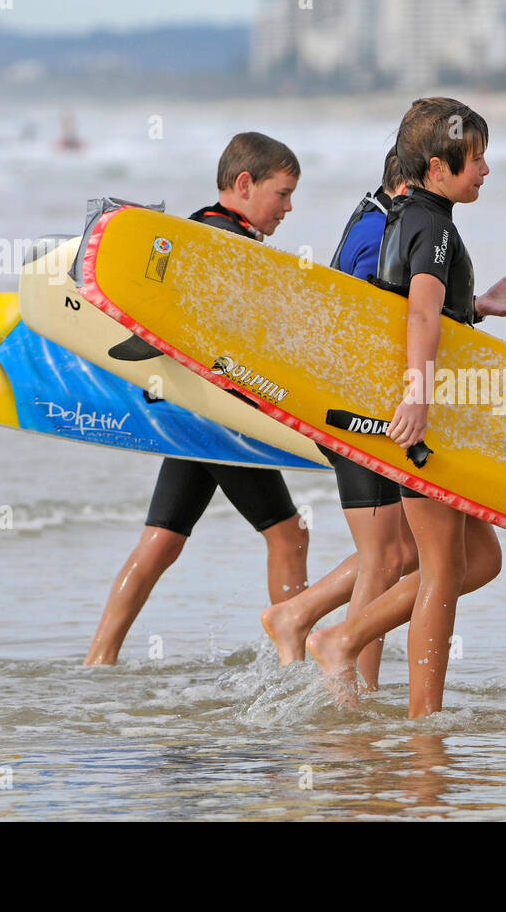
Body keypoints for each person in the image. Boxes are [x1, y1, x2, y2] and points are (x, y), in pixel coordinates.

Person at [307, 97, 506, 717]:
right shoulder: (434, 225)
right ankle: (423, 720)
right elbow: (416, 313)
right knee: (442, 570)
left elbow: (413, 308)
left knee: (480, 559)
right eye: (477, 160)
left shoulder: (409, 216)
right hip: (425, 418)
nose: (487, 170)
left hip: (427, 410)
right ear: (438, 168)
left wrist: (478, 307)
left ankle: (346, 639)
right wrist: (416, 394)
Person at [84, 132, 317, 665]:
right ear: (244, 183)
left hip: (187, 409)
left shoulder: (200, 229)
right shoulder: (222, 242)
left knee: (163, 541)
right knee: (289, 535)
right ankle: (292, 661)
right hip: (214, 414)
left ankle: (99, 661)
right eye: (281, 193)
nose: (288, 207)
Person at [261, 147, 417, 690]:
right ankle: (353, 681)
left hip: (354, 406)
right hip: (356, 413)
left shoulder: (375, 219)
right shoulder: (380, 233)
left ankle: (297, 616)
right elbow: (372, 331)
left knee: (406, 551)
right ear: (413, 182)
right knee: (389, 555)